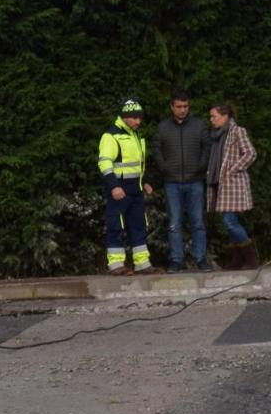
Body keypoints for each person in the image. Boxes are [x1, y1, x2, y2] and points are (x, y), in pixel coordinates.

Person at [98, 98, 161, 275]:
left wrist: (146, 181)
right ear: (125, 117)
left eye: (139, 118)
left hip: (136, 188)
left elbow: (138, 163)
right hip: (119, 189)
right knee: (115, 225)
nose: (138, 121)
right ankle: (116, 265)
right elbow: (104, 163)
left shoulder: (137, 135)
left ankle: (142, 263)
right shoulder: (110, 136)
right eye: (134, 118)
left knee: (138, 225)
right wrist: (114, 186)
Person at [155, 89, 212, 271]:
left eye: (185, 106)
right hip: (172, 182)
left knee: (198, 222)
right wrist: (164, 168)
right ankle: (176, 260)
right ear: (171, 107)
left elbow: (206, 147)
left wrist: (201, 166)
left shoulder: (198, 125)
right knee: (174, 223)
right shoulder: (163, 127)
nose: (182, 110)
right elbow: (157, 150)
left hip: (195, 180)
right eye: (179, 106)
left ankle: (201, 258)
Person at [206, 103, 260, 270]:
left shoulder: (237, 131)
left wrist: (233, 168)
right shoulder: (216, 135)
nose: (211, 120)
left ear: (225, 116)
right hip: (219, 184)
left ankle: (251, 257)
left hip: (232, 184)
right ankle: (238, 259)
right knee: (229, 221)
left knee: (229, 222)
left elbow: (251, 153)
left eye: (213, 116)